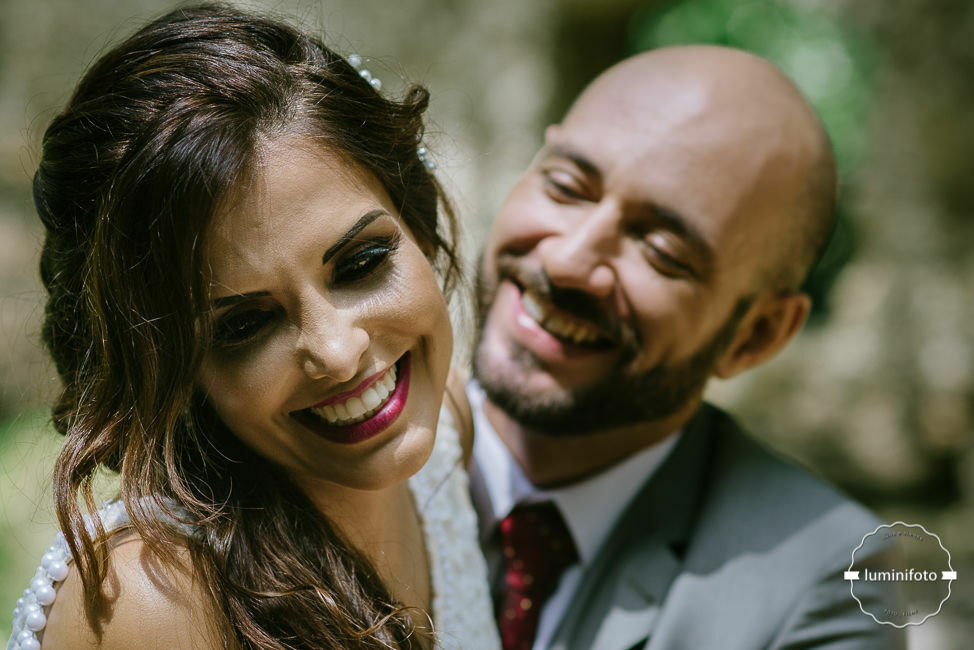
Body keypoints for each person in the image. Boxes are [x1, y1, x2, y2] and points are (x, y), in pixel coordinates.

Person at [8, 4, 499, 649]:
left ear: (414, 220)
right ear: (170, 368)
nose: (338, 353)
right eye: (244, 325)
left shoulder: (446, 434)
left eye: (362, 263)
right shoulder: (154, 605)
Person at [469, 46, 906, 649]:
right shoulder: (324, 440)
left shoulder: (825, 582)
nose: (567, 260)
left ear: (755, 336)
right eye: (566, 186)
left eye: (662, 252)